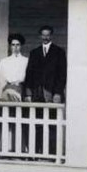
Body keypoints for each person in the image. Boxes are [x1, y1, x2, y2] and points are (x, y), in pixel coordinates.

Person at [23, 26, 66, 155]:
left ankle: (52, 154)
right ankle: (36, 152)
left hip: (52, 94)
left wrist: (58, 93)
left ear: (51, 36)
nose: (45, 37)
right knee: (37, 125)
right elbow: (29, 75)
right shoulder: (34, 52)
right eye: (43, 35)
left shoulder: (59, 52)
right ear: (40, 36)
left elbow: (62, 75)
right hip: (37, 94)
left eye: (48, 35)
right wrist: (28, 94)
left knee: (52, 125)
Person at [0, 34, 27, 153]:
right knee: (5, 119)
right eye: (13, 45)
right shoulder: (4, 62)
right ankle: (3, 148)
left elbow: (26, 78)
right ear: (10, 46)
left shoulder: (26, 61)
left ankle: (19, 148)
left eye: (18, 45)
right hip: (7, 91)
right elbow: (2, 80)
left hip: (20, 90)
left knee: (19, 119)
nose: (15, 47)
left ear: (21, 46)